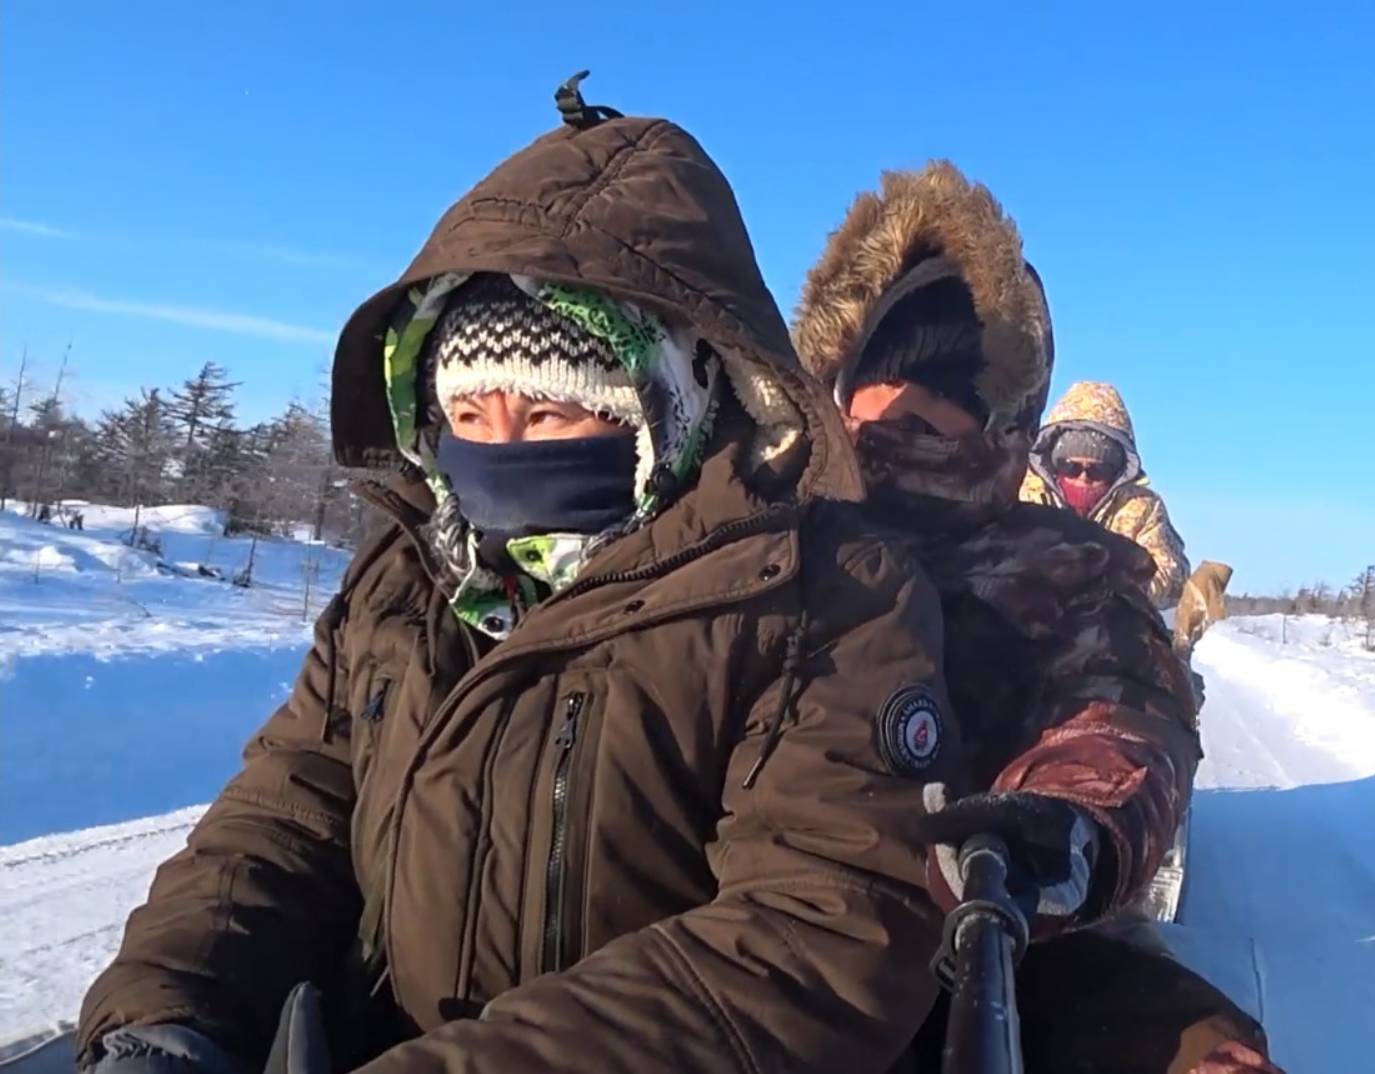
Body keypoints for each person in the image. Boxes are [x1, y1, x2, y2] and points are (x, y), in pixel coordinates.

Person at [77, 82, 960, 1074]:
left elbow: (821, 929)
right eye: (469, 415)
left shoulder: (824, 596)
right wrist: (171, 1015)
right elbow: (286, 817)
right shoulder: (407, 582)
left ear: (666, 408)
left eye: (547, 414)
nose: (498, 454)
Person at [794, 159, 1280, 1074]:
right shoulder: (766, 539)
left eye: (946, 402)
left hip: (1004, 931)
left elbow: (1118, 703)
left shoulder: (1075, 566)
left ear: (1005, 425)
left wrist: (1059, 823)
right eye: (879, 390)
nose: (901, 420)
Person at [1021, 381, 1190, 609]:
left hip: (1111, 618)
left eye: (1098, 470)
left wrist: (1110, 584)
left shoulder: (1142, 507)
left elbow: (1172, 575)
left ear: (1116, 471)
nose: (1083, 479)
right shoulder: (1022, 494)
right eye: (1070, 467)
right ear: (1053, 464)